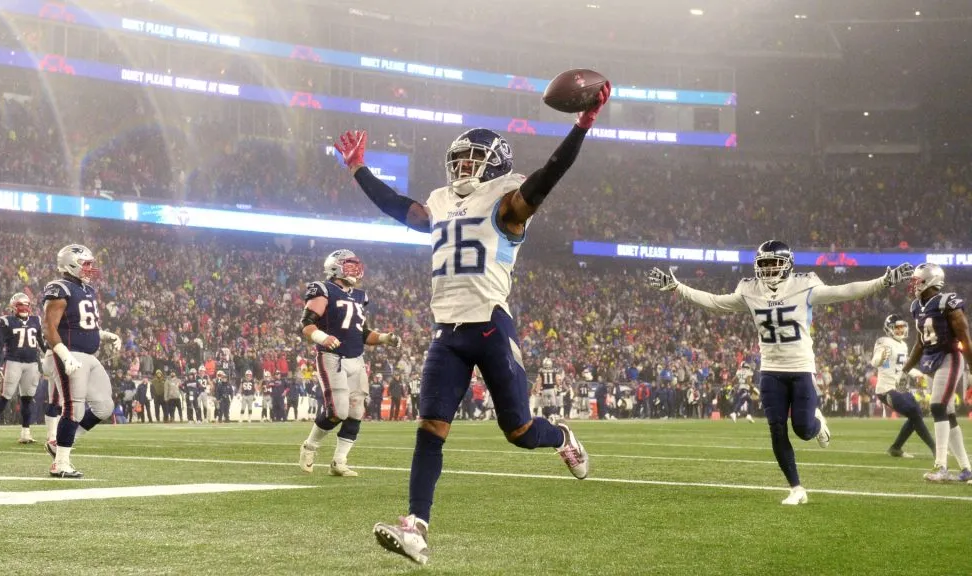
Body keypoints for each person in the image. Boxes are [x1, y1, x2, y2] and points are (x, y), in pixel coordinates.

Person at [334, 79, 609, 564]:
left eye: (473, 158)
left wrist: (581, 125)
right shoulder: (441, 200)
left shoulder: (508, 199)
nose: (463, 166)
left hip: (489, 326)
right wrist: (359, 169)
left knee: (520, 432)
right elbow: (402, 209)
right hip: (446, 332)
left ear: (496, 162)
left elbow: (549, 174)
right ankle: (416, 527)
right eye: (459, 158)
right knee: (430, 427)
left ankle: (563, 436)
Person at [648, 240, 912, 504]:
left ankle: (818, 423)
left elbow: (844, 291)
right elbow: (715, 302)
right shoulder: (749, 289)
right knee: (776, 429)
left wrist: (883, 281)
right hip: (771, 369)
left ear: (787, 264)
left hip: (800, 368)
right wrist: (677, 286)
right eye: (764, 264)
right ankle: (796, 488)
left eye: (775, 263)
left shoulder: (804, 284)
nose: (769, 269)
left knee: (804, 430)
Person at [297, 249, 401, 477]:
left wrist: (384, 338)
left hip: (356, 358)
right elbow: (306, 324)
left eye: (356, 265)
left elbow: (362, 333)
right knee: (338, 411)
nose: (355, 269)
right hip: (332, 357)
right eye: (349, 264)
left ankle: (339, 462)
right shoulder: (323, 289)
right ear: (335, 266)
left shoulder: (359, 295)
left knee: (356, 411)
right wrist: (322, 337)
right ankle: (309, 446)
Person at [41, 244, 121, 478]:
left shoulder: (86, 289)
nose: (89, 268)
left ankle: (60, 444)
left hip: (88, 355)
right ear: (71, 264)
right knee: (73, 408)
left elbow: (84, 324)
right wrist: (64, 356)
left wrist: (104, 335)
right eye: (85, 264)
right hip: (69, 353)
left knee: (105, 406)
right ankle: (61, 463)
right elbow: (48, 327)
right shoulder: (59, 288)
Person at [900, 264, 972, 482]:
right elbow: (920, 343)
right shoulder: (916, 306)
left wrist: (971, 369)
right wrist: (905, 369)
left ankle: (940, 465)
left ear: (930, 281)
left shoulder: (947, 303)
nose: (913, 284)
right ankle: (966, 469)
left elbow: (965, 339)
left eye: (917, 280)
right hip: (931, 361)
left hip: (950, 357)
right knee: (947, 414)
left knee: (938, 406)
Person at [0, 293, 45, 445]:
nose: (24, 308)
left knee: (27, 399)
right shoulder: (6, 321)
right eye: (20, 305)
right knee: (6, 396)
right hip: (13, 362)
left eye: (26, 305)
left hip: (32, 363)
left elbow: (41, 343)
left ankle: (25, 432)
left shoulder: (36, 320)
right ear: (13, 307)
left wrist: (52, 354)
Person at [872, 314, 935, 458]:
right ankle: (936, 449)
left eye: (902, 327)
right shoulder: (884, 342)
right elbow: (874, 362)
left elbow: (903, 368)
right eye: (897, 327)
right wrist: (880, 359)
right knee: (914, 412)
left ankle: (896, 448)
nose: (900, 330)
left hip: (900, 388)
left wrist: (919, 374)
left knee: (916, 414)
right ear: (889, 328)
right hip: (886, 389)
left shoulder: (903, 345)